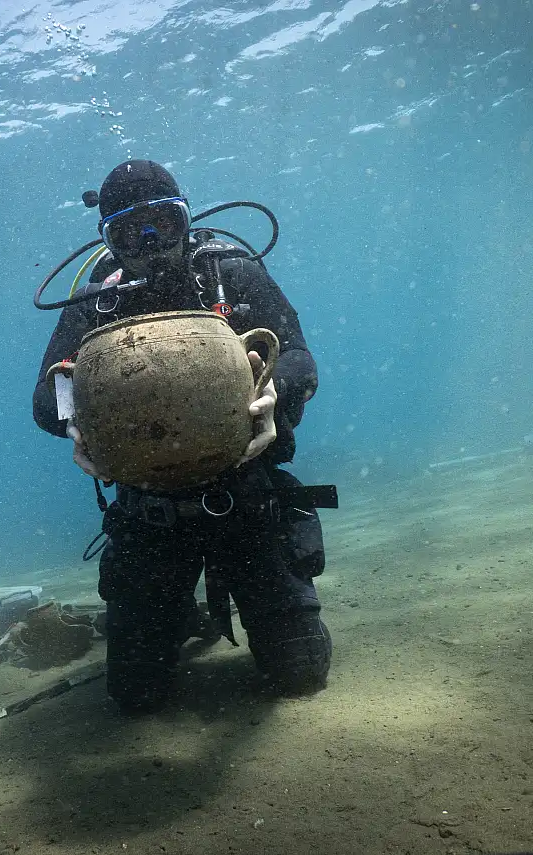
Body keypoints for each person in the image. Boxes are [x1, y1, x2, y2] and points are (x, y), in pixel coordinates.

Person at [32, 159, 332, 712]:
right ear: (109, 241)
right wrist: (76, 422)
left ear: (186, 221)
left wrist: (276, 396)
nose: (149, 243)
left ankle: (236, 607)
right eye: (128, 232)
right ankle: (177, 616)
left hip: (246, 501)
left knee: (299, 675)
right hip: (151, 517)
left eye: (163, 225)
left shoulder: (232, 274)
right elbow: (47, 397)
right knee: (135, 695)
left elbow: (297, 357)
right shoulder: (100, 302)